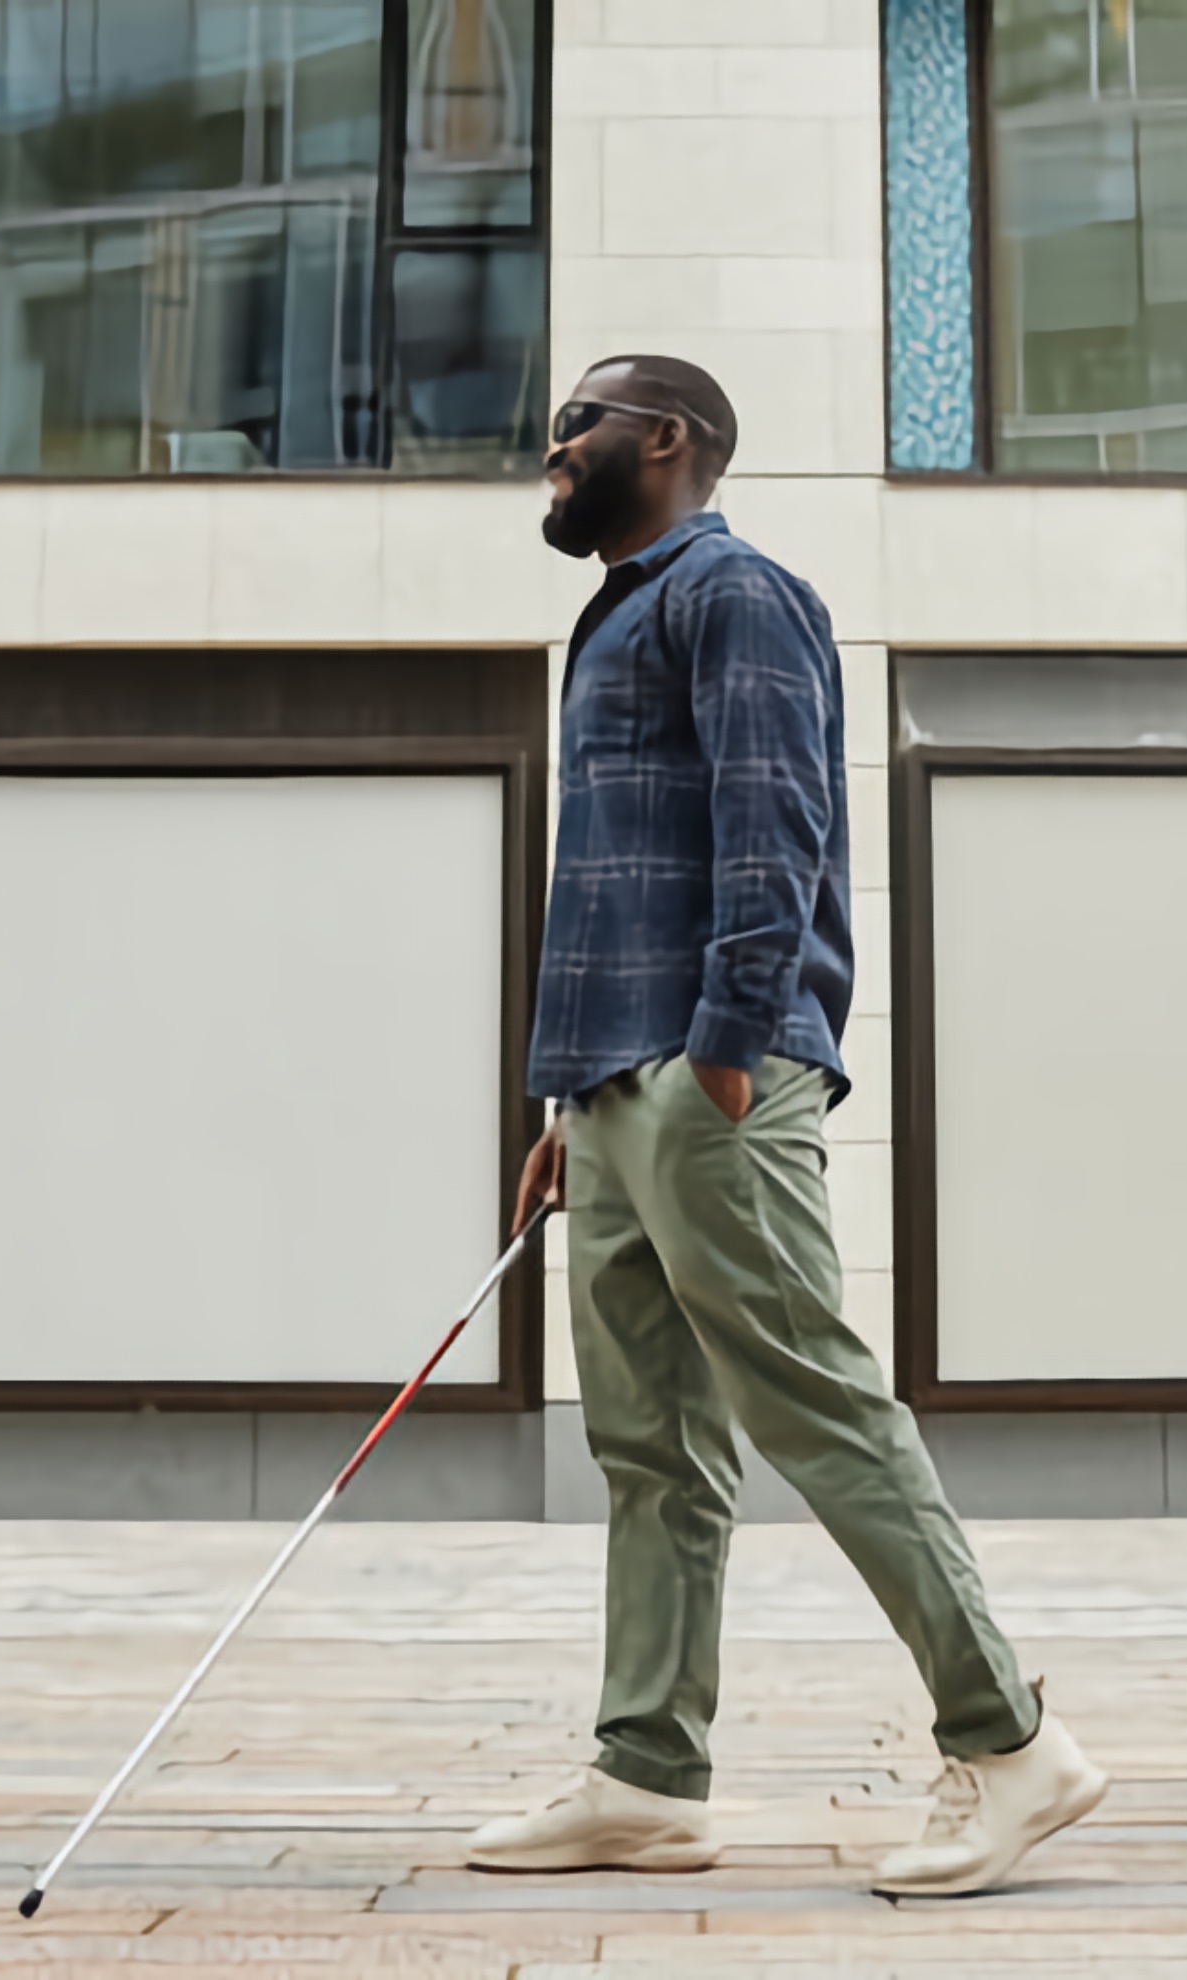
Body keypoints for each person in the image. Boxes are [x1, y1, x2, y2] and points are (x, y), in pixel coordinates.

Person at [466, 355, 1107, 1898]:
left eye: (579, 426)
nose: (551, 448)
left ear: (665, 441)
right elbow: (629, 870)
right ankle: (645, 1778)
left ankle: (1014, 1746)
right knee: (647, 1447)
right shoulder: (616, 608)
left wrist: (730, 1050)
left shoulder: (736, 592)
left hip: (710, 1076)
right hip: (619, 1086)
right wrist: (575, 1096)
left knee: (811, 1400)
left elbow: (778, 822)